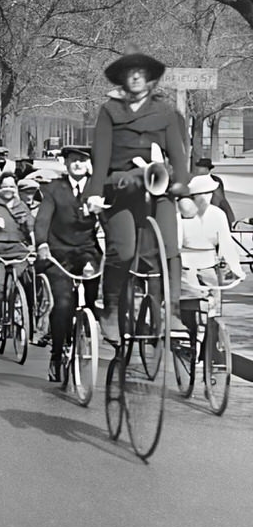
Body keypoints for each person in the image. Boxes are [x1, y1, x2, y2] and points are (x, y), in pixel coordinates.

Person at [83, 52, 189, 345]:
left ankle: (173, 311)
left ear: (150, 79)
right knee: (124, 250)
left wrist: (183, 188)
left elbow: (178, 155)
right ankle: (112, 308)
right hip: (121, 186)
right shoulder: (109, 111)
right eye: (130, 73)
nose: (136, 77)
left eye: (142, 73)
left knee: (169, 248)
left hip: (158, 185)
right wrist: (94, 194)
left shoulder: (166, 113)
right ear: (123, 80)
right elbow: (100, 156)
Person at [34, 145, 101, 378]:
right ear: (66, 163)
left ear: (89, 163)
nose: (78, 164)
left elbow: (111, 218)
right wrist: (42, 243)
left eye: (82, 160)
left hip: (87, 252)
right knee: (62, 304)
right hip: (58, 253)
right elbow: (42, 219)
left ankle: (87, 327)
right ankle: (57, 352)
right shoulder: (54, 189)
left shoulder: (97, 187)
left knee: (92, 297)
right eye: (73, 160)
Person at [177, 174, 245, 351]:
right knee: (188, 308)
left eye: (209, 193)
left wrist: (236, 268)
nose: (206, 197)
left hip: (209, 268)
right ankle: (189, 342)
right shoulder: (181, 215)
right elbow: (175, 246)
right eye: (202, 194)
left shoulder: (218, 215)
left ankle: (209, 347)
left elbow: (226, 245)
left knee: (212, 311)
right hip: (186, 267)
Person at [0, 171, 34, 342]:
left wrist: (33, 243)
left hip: (17, 248)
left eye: (12, 186)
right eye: (5, 186)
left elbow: (31, 228)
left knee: (27, 277)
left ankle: (22, 313)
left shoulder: (21, 206)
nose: (8, 190)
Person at [192, 158, 234, 226]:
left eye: (200, 167)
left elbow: (220, 198)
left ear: (206, 168)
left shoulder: (215, 180)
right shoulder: (195, 179)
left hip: (211, 208)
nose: (198, 169)